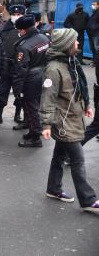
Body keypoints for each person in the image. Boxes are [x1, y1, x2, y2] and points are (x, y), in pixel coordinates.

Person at [40, 28, 99, 213]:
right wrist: (47, 124)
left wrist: (87, 105)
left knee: (59, 156)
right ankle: (88, 200)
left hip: (73, 118)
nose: (78, 43)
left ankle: (53, 189)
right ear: (66, 45)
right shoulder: (53, 69)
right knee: (78, 161)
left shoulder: (71, 62)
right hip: (64, 122)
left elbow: (79, 86)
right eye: (75, 41)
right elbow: (47, 98)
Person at [13, 14, 50, 147]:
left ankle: (35, 137)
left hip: (30, 79)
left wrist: (17, 88)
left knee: (30, 108)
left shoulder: (23, 46)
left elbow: (20, 69)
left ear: (23, 30)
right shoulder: (44, 38)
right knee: (37, 105)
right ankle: (32, 131)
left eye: (19, 30)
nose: (19, 32)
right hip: (43, 75)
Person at [0, 5, 26, 126]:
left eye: (19, 15)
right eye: (14, 15)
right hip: (6, 64)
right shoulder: (4, 29)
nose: (16, 17)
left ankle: (18, 114)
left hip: (20, 66)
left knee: (19, 92)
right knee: (2, 91)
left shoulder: (25, 29)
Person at [87, 0, 99, 73]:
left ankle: (96, 62)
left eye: (94, 4)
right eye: (92, 4)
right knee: (93, 49)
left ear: (98, 5)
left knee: (96, 48)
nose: (92, 5)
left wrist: (94, 27)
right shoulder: (94, 13)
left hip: (96, 34)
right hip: (91, 34)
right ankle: (95, 62)